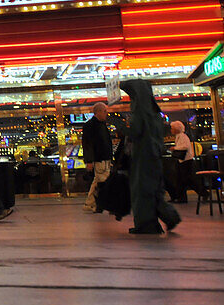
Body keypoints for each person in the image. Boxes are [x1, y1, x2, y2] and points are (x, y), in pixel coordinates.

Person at [118, 80, 180, 234]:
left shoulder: (140, 111)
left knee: (142, 191)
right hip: (154, 156)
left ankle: (147, 224)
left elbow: (136, 131)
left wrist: (118, 125)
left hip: (143, 156)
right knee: (153, 190)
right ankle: (167, 217)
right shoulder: (154, 113)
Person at [82, 102, 113, 213]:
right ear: (98, 112)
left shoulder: (99, 124)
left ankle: (91, 204)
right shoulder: (92, 126)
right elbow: (87, 144)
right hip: (100, 158)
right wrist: (89, 161)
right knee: (101, 182)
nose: (106, 113)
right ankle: (94, 204)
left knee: (98, 182)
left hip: (103, 159)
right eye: (104, 111)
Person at [170, 120, 196, 204]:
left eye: (172, 128)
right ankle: (181, 198)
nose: (171, 130)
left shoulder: (182, 136)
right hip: (182, 160)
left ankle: (202, 192)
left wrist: (175, 148)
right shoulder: (179, 136)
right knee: (181, 179)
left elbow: (185, 146)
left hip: (185, 160)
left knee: (186, 179)